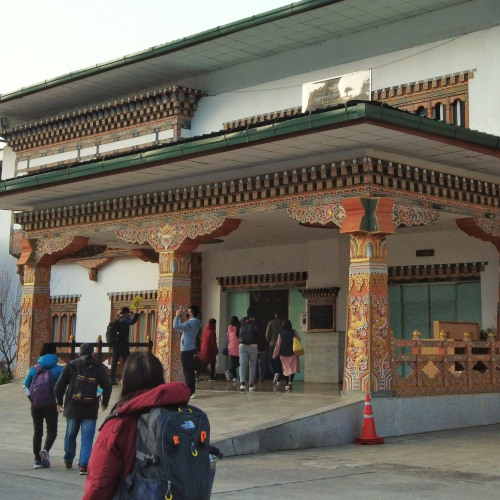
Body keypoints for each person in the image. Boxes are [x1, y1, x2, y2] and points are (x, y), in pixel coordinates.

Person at [82, 351, 191, 500]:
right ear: (161, 379)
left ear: (125, 382)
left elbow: (98, 483)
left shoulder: (119, 423)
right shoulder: (179, 414)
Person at [54, 343, 112, 475]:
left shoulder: (72, 365)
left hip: (72, 406)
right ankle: (84, 465)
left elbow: (60, 384)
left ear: (80, 353)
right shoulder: (99, 366)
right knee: (87, 436)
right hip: (90, 407)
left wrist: (58, 401)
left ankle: (68, 459)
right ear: (92, 353)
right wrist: (105, 401)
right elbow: (106, 386)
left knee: (70, 434)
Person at [24, 342, 63, 469]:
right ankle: (45, 450)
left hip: (36, 405)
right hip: (51, 404)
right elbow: (62, 387)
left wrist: (32, 400)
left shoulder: (34, 369)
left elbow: (25, 386)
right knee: (52, 431)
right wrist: (60, 403)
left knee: (37, 431)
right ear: (54, 352)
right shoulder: (58, 369)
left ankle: (37, 460)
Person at [173, 304, 202, 398]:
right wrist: (181, 319)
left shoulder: (192, 323)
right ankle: (191, 390)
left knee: (188, 371)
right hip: (190, 348)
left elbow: (176, 326)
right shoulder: (195, 323)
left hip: (187, 349)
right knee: (189, 371)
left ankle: (191, 391)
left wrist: (177, 315)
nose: (187, 313)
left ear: (192, 313)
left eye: (189, 312)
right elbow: (183, 326)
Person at [109, 306, 139, 385]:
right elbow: (132, 322)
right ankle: (125, 378)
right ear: (127, 312)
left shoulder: (117, 319)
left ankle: (111, 379)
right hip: (123, 343)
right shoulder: (125, 319)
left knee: (114, 361)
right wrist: (136, 313)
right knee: (127, 360)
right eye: (129, 313)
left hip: (115, 343)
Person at [273, 319, 302, 390]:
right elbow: (299, 340)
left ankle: (287, 382)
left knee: (285, 369)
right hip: (293, 353)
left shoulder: (281, 334)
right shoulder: (294, 332)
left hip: (283, 354)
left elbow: (278, 345)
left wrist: (274, 354)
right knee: (293, 368)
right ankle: (290, 381)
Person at [238, 306, 261, 392]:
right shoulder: (257, 321)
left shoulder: (242, 320)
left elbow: (237, 333)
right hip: (253, 346)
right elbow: (260, 334)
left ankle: (242, 384)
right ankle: (251, 385)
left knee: (242, 364)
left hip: (242, 345)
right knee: (252, 365)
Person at [266, 312, 284, 384]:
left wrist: (269, 341)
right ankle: (279, 380)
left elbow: (267, 335)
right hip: (281, 345)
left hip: (272, 344)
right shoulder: (283, 323)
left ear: (275, 315)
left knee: (271, 360)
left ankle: (275, 373)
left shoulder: (271, 323)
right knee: (279, 362)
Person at [224, 316, 240, 382]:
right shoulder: (238, 328)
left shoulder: (229, 328)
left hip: (230, 347)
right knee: (239, 362)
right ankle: (229, 370)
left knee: (233, 362)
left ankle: (235, 377)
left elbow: (228, 338)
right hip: (237, 347)